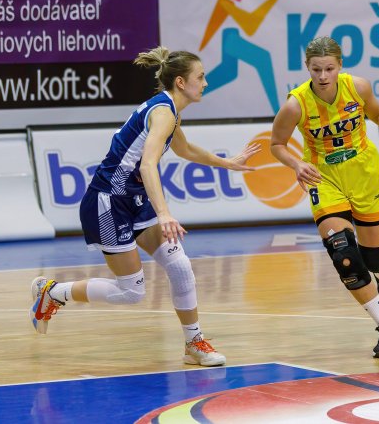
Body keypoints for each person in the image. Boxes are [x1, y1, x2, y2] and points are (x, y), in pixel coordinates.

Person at [29, 46, 260, 367]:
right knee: (132, 291)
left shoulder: (171, 112)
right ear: (181, 82)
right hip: (108, 201)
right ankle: (53, 292)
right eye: (201, 77)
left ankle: (193, 343)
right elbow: (149, 165)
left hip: (134, 198)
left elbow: (185, 149)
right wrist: (164, 213)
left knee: (181, 267)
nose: (205, 83)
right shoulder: (163, 112)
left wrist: (227, 163)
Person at [270, 36, 379, 358]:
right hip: (324, 178)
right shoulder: (295, 104)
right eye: (316, 69)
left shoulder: (357, 87)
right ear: (308, 68)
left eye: (329, 68)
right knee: (343, 254)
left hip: (365, 173)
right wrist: (296, 163)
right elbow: (276, 143)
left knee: (374, 257)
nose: (323, 76)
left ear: (340, 66)